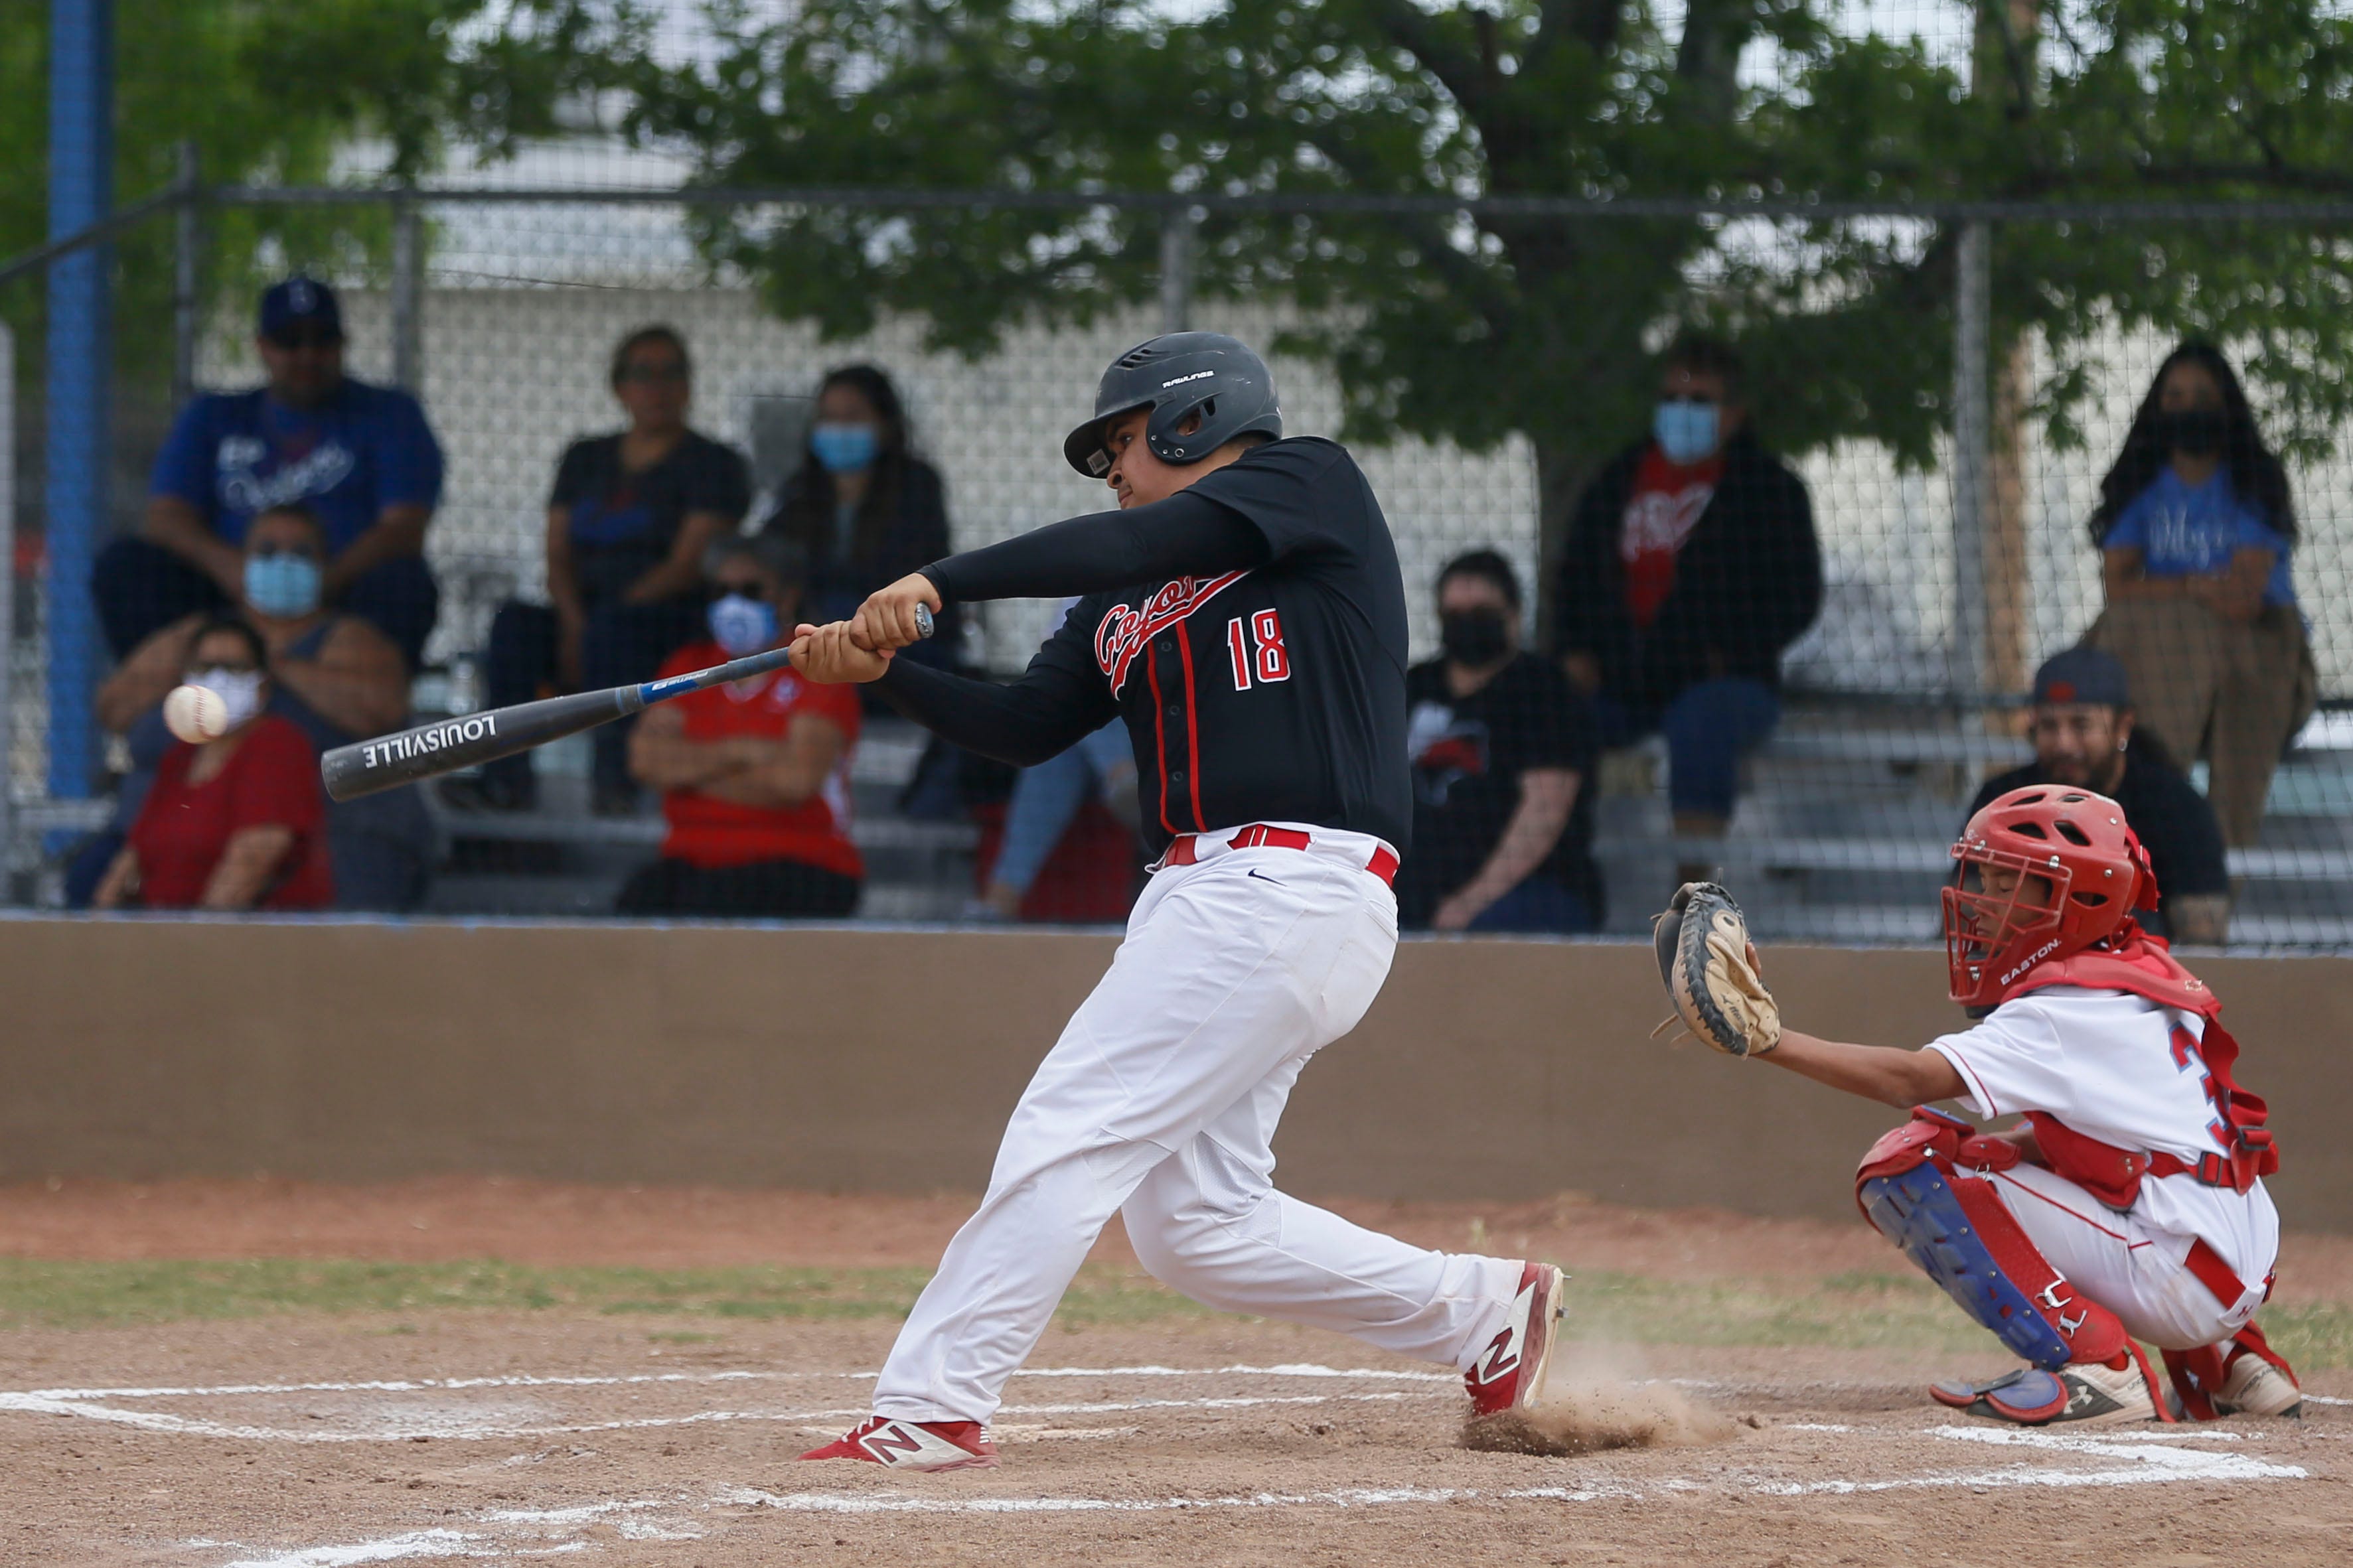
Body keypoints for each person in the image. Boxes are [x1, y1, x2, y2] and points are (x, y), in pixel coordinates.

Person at [785, 331, 1564, 1471]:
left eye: (1125, 440)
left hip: (1286, 879)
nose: (1114, 468)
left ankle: (930, 1405)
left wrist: (939, 582)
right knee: (1198, 1228)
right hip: (1210, 895)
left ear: (1196, 418)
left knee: (1068, 1128)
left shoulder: (1311, 483)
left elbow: (1147, 529)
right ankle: (1483, 1311)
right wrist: (886, 673)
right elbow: (1024, 727)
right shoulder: (1117, 598)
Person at [1675, 787, 2301, 1427]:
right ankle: (2235, 1365)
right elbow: (2122, 1137)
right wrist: (2007, 1150)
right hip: (2235, 1258)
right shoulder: (2141, 972)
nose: (1985, 901)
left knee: (1906, 1164)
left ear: (2079, 898)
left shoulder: (2060, 1011)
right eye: (1989, 878)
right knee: (1997, 1151)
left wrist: (1770, 1040)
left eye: (2012, 884)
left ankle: (2102, 1369)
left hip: (2179, 1273)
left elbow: (1908, 1080)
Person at [1549, 334, 1821, 877]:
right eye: (1672, 398)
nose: (1682, 412)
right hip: (1620, 679)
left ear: (1734, 413)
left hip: (1720, 680)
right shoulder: (1614, 480)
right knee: (1548, 715)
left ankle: (1692, 888)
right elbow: (1573, 575)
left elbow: (1798, 595)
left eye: (1700, 402)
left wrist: (1730, 651)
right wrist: (1574, 651)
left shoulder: (1769, 490)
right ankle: (1553, 867)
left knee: (1700, 723)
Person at [462, 326, 752, 814]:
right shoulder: (585, 459)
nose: (657, 387)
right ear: (619, 387)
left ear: (688, 385)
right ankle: (503, 781)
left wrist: (596, 626)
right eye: (643, 374)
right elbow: (557, 553)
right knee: (515, 624)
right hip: (585, 617)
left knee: (615, 634)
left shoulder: (714, 464)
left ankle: (614, 782)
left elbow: (686, 565)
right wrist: (575, 623)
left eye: (671, 374)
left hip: (667, 622)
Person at [90, 504, 431, 911]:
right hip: (169, 844)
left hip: (334, 844)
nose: (283, 562)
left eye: (300, 553)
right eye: (267, 551)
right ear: (241, 563)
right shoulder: (193, 637)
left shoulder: (351, 640)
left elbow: (385, 709)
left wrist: (277, 664)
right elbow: (113, 708)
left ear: (326, 567)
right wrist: (194, 657)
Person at [97, 277, 445, 670]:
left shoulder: (389, 414)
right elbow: (165, 517)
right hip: (227, 596)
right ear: (263, 347)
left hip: (340, 597)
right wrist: (235, 572)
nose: (307, 355)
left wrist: (324, 581)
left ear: (343, 344)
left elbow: (404, 527)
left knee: (404, 583)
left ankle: (372, 713)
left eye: (322, 340)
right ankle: (170, 710)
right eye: (290, 341)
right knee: (126, 565)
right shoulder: (213, 415)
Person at [2085, 342, 2316, 848]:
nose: (2188, 407)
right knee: (2134, 624)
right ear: (2157, 406)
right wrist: (2194, 586)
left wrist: (2169, 590)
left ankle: (2208, 888)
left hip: (2252, 652)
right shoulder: (2142, 485)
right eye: (2175, 395)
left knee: (2185, 625)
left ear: (2225, 405)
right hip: (2164, 655)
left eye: (2202, 396)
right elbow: (2117, 586)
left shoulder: (2252, 483)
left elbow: (2242, 601)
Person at [617, 535, 863, 918]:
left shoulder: (820, 669)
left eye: (751, 590)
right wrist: (745, 753)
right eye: (722, 591)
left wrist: (688, 773)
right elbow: (646, 762)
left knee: (721, 901)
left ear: (786, 597)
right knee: (635, 904)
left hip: (802, 862)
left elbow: (794, 782)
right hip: (690, 860)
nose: (734, 603)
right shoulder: (688, 665)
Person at [1399, 549, 1602, 934]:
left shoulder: (1543, 690)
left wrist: (1469, 903)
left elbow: (1545, 809)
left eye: (1480, 612)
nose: (1466, 624)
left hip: (1528, 893)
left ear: (1513, 614)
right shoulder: (1414, 686)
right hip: (1413, 893)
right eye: (1455, 614)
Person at [1967, 647, 2229, 945]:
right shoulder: (2005, 800)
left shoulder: (2176, 808)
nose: (2064, 744)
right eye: (2050, 726)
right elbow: (1967, 918)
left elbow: (2203, 942)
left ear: (2123, 727)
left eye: (2081, 725)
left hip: (2136, 981)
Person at [93, 617, 334, 912]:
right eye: (206, 669)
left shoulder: (276, 744)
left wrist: (197, 945)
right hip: (164, 938)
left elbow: (252, 859)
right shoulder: (180, 757)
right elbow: (132, 861)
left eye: (235, 668)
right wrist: (101, 931)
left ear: (262, 685)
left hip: (242, 945)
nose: (219, 680)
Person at [757, 364, 957, 674]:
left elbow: (916, 572)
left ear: (885, 424)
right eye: (830, 418)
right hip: (814, 650)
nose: (839, 429)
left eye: (853, 418)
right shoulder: (799, 492)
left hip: (899, 652)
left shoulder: (916, 486)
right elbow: (773, 563)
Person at [972, 599, 1140, 920]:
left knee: (1080, 713)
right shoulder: (1092, 593)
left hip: (1154, 735)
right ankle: (1121, 777)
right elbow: (1059, 671)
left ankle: (1002, 896)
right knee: (1075, 714)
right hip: (1094, 749)